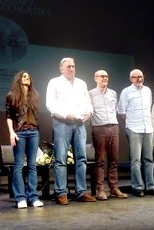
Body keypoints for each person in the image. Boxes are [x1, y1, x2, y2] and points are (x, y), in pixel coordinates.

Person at [46, 57, 96, 205]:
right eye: (68, 67)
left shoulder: (81, 83)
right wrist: (64, 115)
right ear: (61, 69)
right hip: (62, 123)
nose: (71, 69)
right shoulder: (54, 82)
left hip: (80, 124)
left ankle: (81, 192)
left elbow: (88, 102)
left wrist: (89, 112)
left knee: (81, 158)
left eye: (73, 66)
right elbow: (50, 104)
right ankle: (61, 193)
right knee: (61, 159)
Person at [117, 68, 154, 197]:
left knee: (149, 159)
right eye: (136, 77)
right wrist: (130, 124)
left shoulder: (147, 90)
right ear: (130, 79)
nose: (139, 79)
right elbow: (122, 111)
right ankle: (137, 187)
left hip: (148, 128)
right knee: (136, 160)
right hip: (134, 128)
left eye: (141, 76)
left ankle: (150, 186)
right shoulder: (126, 91)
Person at [5, 70, 44, 208]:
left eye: (29, 76)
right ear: (19, 79)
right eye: (24, 76)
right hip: (19, 132)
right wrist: (11, 132)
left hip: (33, 132)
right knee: (19, 165)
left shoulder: (35, 96)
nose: (27, 77)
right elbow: (9, 116)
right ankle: (20, 197)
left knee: (32, 165)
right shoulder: (11, 96)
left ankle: (32, 197)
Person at [89, 70, 128, 200]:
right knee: (100, 160)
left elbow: (114, 109)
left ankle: (114, 188)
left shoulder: (113, 93)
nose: (105, 78)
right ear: (95, 78)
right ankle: (100, 189)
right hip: (99, 128)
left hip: (114, 127)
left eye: (106, 76)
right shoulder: (90, 94)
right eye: (102, 76)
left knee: (114, 160)